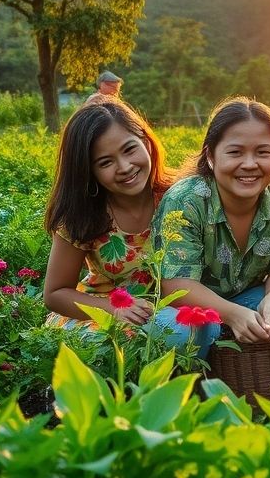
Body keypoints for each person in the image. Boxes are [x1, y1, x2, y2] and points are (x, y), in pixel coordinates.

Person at [153, 98, 270, 355]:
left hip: (247, 296)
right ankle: (190, 388)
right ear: (211, 156)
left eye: (262, 152)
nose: (250, 164)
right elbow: (177, 284)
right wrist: (232, 314)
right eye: (235, 152)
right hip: (189, 306)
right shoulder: (186, 200)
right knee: (187, 331)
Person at [42, 100, 187, 343]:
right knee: (121, 344)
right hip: (104, 314)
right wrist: (112, 309)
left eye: (130, 149)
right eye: (105, 162)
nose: (125, 167)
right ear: (88, 171)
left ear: (146, 142)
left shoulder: (181, 195)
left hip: (171, 313)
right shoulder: (83, 215)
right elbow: (55, 294)